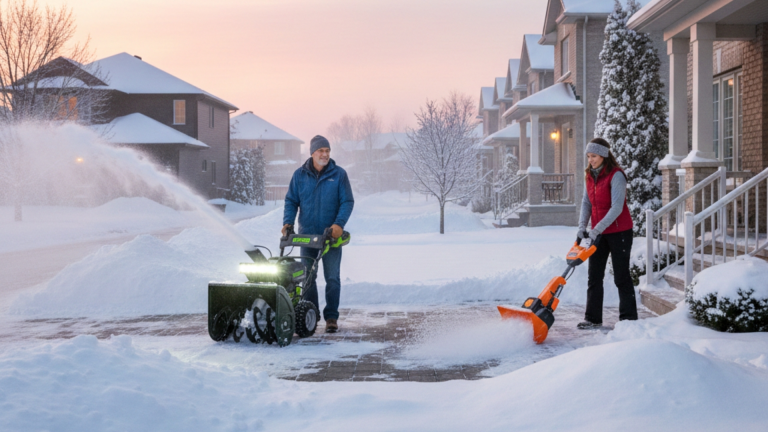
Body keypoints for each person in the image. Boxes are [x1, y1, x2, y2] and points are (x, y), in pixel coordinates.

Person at [282, 135, 354, 333]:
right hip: (307, 236)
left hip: (330, 237)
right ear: (312, 153)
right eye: (321, 151)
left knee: (332, 278)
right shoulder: (299, 175)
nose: (325, 154)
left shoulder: (339, 175)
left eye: (327, 151)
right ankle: (310, 314)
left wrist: (338, 224)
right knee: (307, 278)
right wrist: (287, 222)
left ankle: (331, 317)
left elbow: (347, 201)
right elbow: (291, 201)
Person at [576, 137, 637, 329]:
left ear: (603, 155)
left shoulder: (616, 175)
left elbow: (617, 207)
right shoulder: (589, 175)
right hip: (599, 233)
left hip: (620, 232)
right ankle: (592, 318)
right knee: (594, 276)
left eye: (593, 156)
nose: (590, 160)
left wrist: (596, 229)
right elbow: (587, 203)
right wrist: (581, 228)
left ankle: (628, 320)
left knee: (621, 276)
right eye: (588, 156)